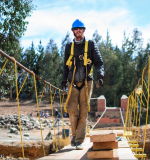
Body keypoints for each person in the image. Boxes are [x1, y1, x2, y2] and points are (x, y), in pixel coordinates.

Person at [62, 19, 104, 150]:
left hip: (86, 82)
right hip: (72, 82)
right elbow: (65, 66)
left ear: (84, 30)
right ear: (73, 31)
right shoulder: (69, 46)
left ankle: (79, 140)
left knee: (84, 112)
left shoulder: (91, 44)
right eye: (76, 29)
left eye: (80, 29)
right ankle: (74, 137)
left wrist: (100, 75)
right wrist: (64, 80)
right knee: (72, 110)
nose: (78, 31)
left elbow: (99, 62)